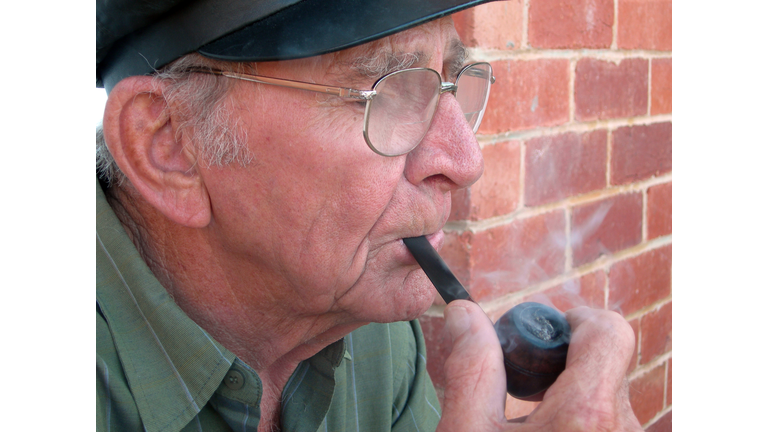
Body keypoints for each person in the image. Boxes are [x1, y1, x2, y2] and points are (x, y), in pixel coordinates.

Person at [96, 0, 644, 430]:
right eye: (388, 92)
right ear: (169, 147)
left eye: (454, 81)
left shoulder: (374, 333)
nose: (464, 161)